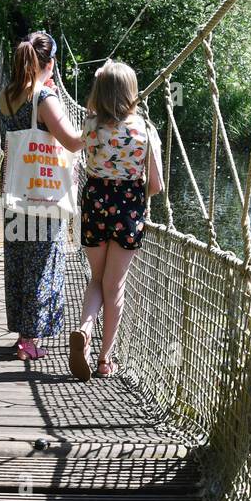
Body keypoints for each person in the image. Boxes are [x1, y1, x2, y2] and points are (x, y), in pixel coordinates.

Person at [69, 60, 163, 380]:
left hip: (95, 204)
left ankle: (84, 329)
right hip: (127, 210)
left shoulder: (91, 126)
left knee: (96, 279)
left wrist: (101, 81)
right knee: (115, 285)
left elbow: (92, 108)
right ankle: (105, 359)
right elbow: (156, 185)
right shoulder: (145, 131)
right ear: (132, 93)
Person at [0, 31, 83, 361]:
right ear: (50, 63)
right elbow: (74, 142)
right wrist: (97, 119)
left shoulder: (6, 97)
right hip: (44, 197)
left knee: (19, 263)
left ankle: (22, 335)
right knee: (43, 264)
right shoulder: (44, 99)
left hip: (17, 192)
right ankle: (28, 342)